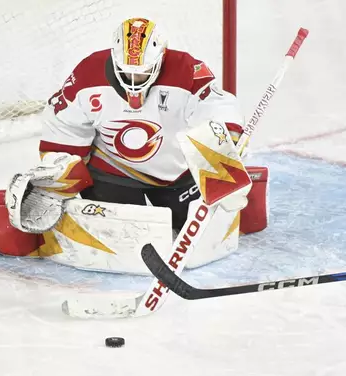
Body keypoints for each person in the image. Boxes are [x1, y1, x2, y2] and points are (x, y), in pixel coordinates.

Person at [35, 17, 245, 231]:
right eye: (127, 71)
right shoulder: (88, 73)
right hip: (113, 174)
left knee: (204, 227)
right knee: (119, 233)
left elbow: (215, 104)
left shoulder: (186, 69)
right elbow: (63, 122)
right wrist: (59, 165)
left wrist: (225, 148)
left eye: (143, 71)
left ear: (161, 58)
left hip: (176, 176)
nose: (134, 79)